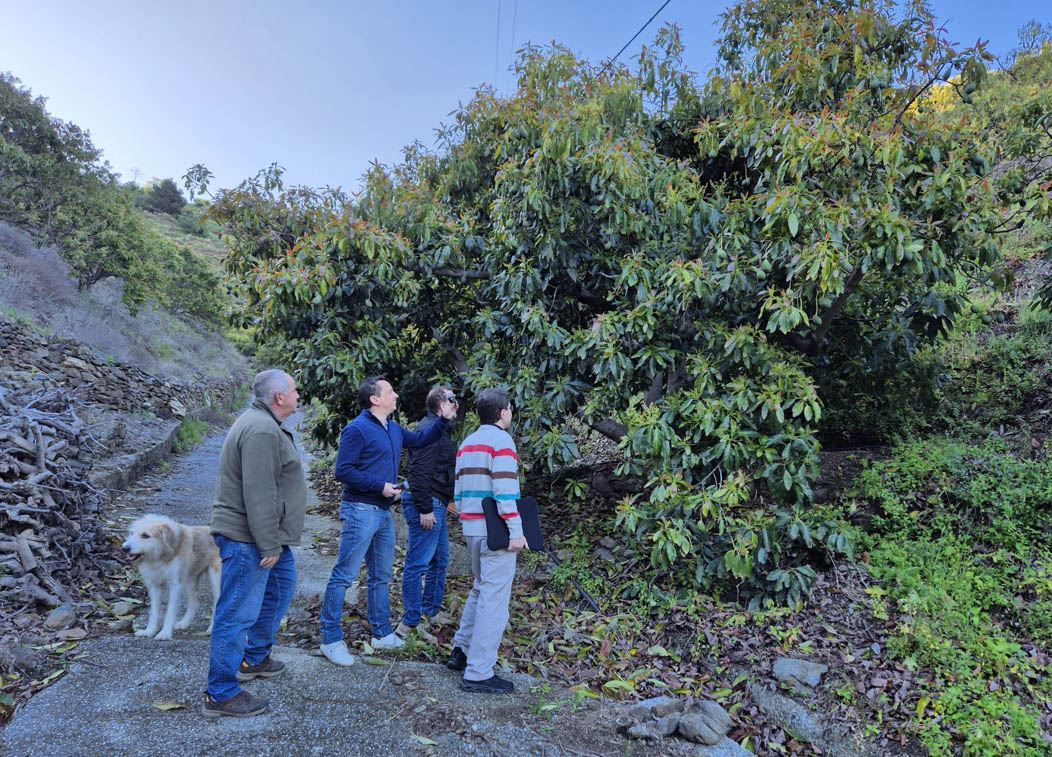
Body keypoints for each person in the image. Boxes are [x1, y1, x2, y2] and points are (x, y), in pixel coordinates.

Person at [319, 376, 456, 666]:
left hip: (382, 513)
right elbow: (343, 470)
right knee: (345, 575)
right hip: (360, 509)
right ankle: (330, 638)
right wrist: (378, 485)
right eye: (390, 391)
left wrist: (443, 420)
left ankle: (381, 633)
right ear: (374, 399)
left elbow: (421, 440)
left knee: (380, 576)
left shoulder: (392, 428)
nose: (396, 395)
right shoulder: (357, 429)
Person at [203, 369, 306, 718]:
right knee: (235, 613)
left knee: (280, 588)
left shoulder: (265, 424)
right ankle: (221, 693)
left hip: (267, 535)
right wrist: (268, 545)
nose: (297, 395)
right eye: (293, 390)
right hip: (250, 538)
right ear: (279, 397)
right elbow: (259, 493)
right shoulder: (261, 430)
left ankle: (255, 656)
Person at [447, 388, 527, 694]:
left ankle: (461, 650)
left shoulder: (466, 444)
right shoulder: (502, 442)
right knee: (495, 602)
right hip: (496, 532)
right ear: (504, 412)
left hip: (471, 528)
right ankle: (478, 672)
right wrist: (516, 531)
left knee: (481, 590)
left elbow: (458, 492)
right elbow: (505, 492)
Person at [395, 385, 458, 640]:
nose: (457, 403)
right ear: (441, 405)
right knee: (417, 563)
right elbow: (418, 472)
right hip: (427, 503)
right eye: (452, 399)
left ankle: (430, 610)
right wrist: (425, 508)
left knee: (440, 560)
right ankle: (408, 624)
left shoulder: (439, 429)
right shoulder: (428, 430)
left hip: (437, 501)